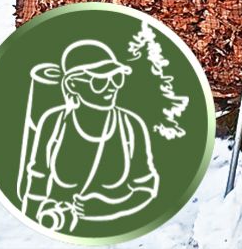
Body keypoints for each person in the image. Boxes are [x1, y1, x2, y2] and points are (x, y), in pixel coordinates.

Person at [20, 40, 160, 232]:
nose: (112, 87)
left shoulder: (131, 126)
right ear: (73, 84)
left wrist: (111, 208)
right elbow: (37, 180)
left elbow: (146, 187)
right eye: (100, 81)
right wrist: (32, 224)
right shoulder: (54, 122)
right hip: (59, 229)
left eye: (116, 78)